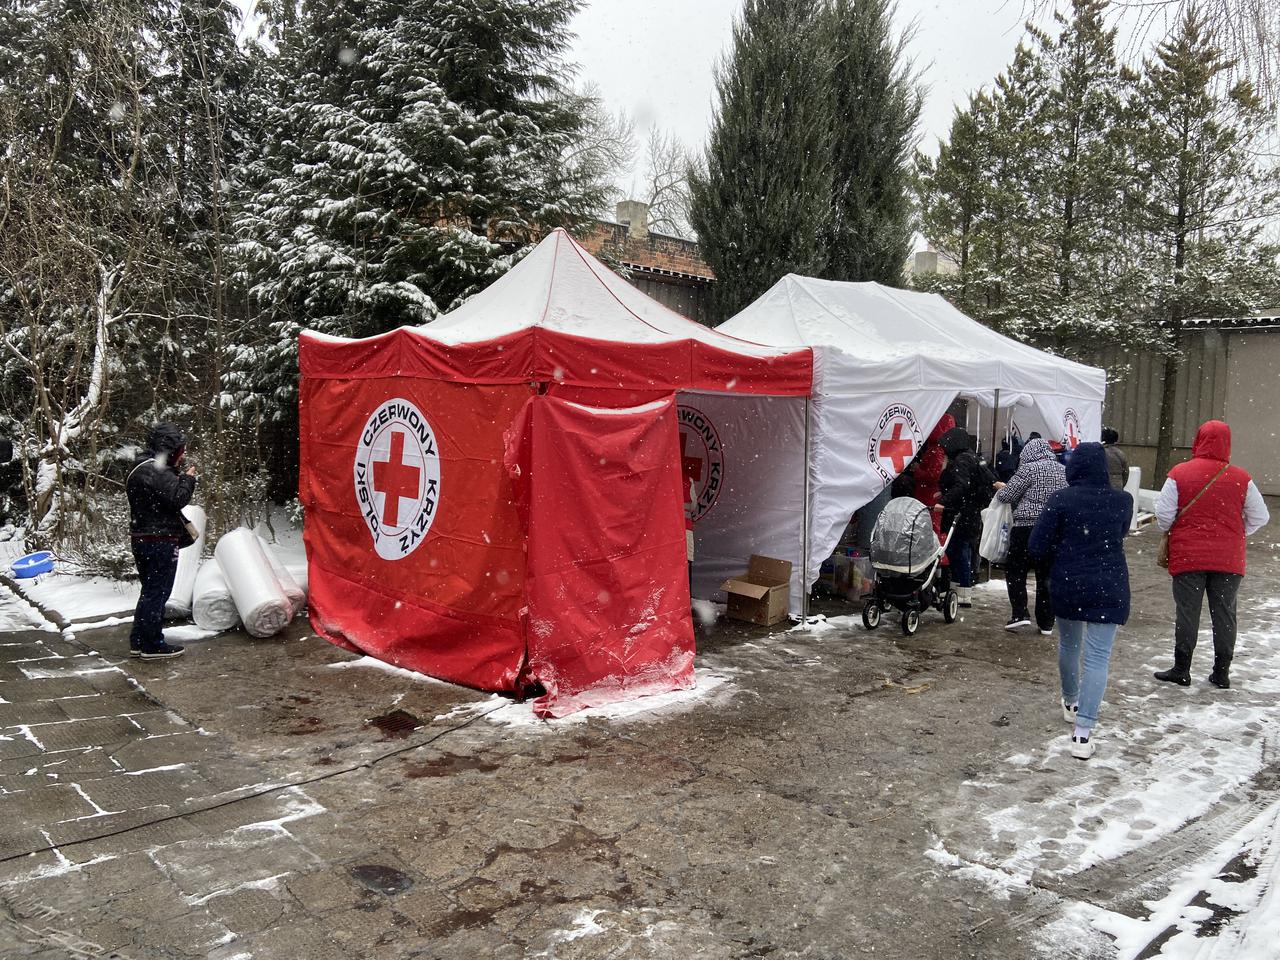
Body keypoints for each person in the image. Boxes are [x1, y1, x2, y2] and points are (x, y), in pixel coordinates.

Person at [1029, 442, 1132, 760]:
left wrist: (1061, 551)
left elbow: (1036, 545)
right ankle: (1083, 735)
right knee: (1098, 657)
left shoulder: (1061, 499)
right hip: (1110, 585)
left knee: (1070, 646)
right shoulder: (1123, 501)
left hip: (1069, 583)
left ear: (1073, 468)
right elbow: (1121, 533)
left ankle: (1070, 702)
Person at [1153, 420, 1270, 689]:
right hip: (1229, 560)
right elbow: (1260, 516)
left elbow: (1163, 515)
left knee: (1187, 613)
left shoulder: (1180, 473)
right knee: (1225, 614)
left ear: (1198, 440)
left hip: (1188, 558)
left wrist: (1178, 530)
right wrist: (1236, 534)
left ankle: (1181, 669)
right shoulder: (1242, 478)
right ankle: (1221, 672)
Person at [126, 424, 197, 660]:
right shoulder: (156, 471)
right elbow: (178, 498)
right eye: (180, 450)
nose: (183, 454)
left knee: (150, 590)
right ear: (170, 449)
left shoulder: (142, 468)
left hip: (142, 538)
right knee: (158, 592)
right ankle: (152, 644)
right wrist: (187, 479)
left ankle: (139, 640)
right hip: (160, 540)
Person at [994, 438, 1067, 634]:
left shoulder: (1028, 469)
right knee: (1046, 576)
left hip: (1026, 528)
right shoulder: (1062, 470)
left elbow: (1007, 496)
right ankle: (1046, 622)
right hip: (1053, 530)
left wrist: (1002, 487)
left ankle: (1020, 613)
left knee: (1016, 570)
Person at [935, 426, 992, 608]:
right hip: (971, 513)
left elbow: (961, 486)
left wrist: (944, 501)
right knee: (961, 551)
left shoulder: (961, 461)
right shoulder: (973, 457)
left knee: (957, 552)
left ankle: (961, 592)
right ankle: (958, 591)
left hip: (961, 514)